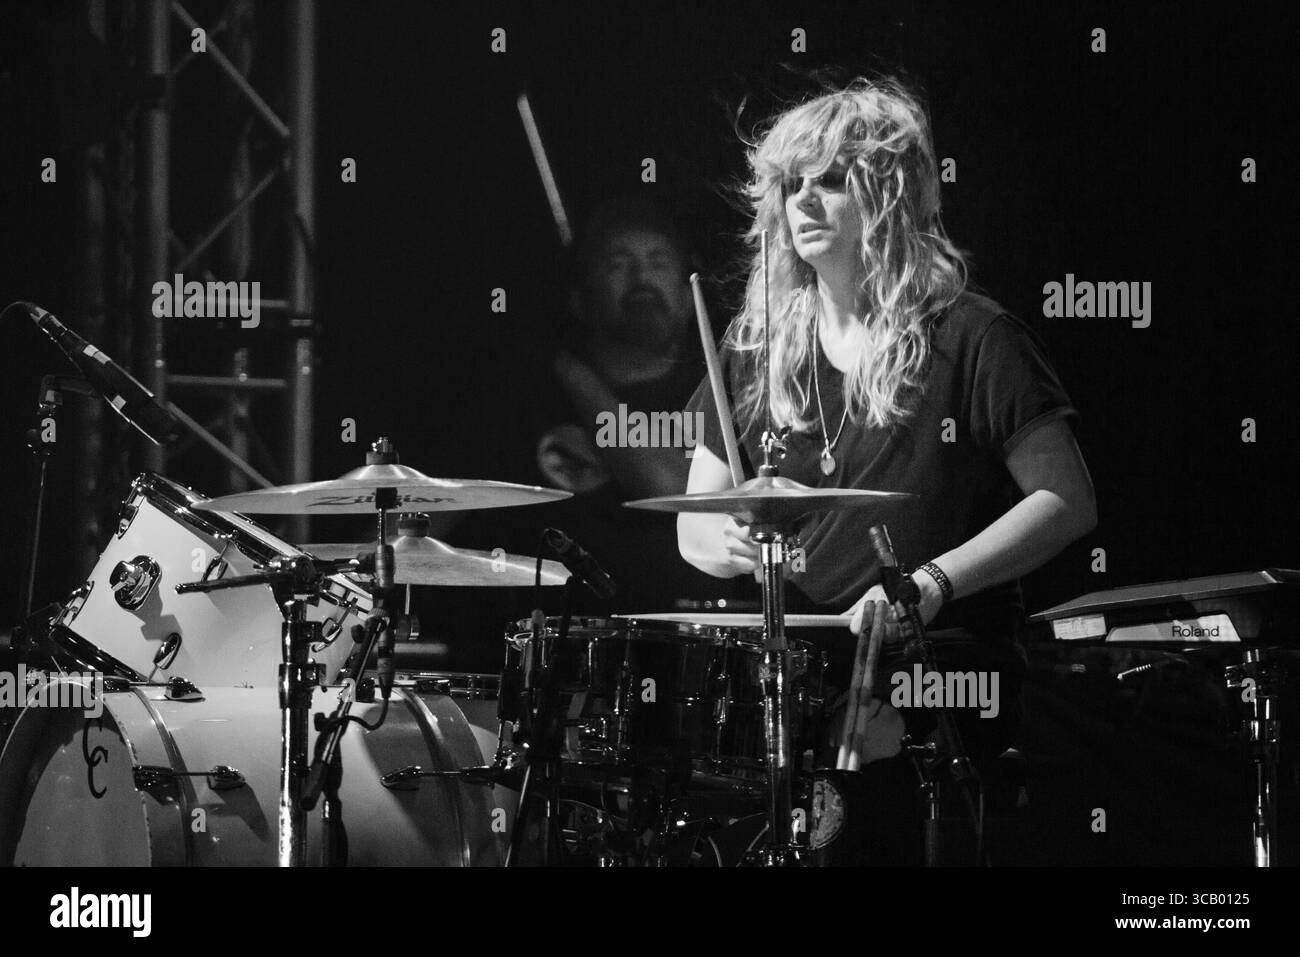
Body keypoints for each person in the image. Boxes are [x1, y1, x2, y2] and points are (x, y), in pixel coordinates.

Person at [678, 78, 1097, 862]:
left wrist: (928, 587)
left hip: (939, 665)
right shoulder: (753, 351)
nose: (803, 202)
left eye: (831, 181)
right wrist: (718, 540)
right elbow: (692, 520)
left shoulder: (971, 335)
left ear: (889, 195)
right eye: (791, 184)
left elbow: (1066, 499)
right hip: (802, 667)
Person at [482, 195, 735, 613]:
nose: (641, 279)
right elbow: (438, 499)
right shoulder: (527, 395)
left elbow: (670, 486)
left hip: (693, 638)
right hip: (557, 636)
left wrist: (573, 374)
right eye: (618, 264)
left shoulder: (719, 387)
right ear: (579, 298)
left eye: (658, 263)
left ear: (690, 300)